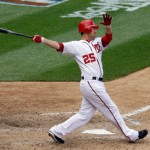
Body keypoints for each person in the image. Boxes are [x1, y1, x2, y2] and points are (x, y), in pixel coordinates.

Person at [32, 14, 148, 144]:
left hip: (94, 84)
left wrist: (108, 26)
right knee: (112, 108)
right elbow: (59, 46)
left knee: (84, 115)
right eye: (93, 28)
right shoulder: (76, 45)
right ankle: (131, 135)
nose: (96, 30)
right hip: (91, 83)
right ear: (86, 30)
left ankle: (57, 131)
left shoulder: (97, 43)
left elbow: (108, 38)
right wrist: (42, 39)